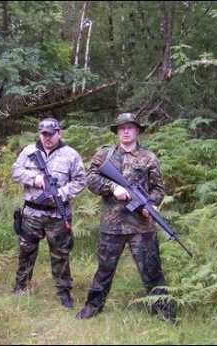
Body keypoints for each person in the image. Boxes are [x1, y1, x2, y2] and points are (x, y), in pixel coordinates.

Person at [75, 112, 176, 322]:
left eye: (130, 127)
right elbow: (90, 178)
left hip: (142, 226)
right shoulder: (105, 155)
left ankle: (164, 312)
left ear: (137, 130)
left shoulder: (149, 157)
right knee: (104, 269)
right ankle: (93, 307)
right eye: (122, 128)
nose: (126, 131)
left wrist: (151, 204)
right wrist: (112, 187)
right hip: (112, 226)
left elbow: (158, 189)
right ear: (117, 132)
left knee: (152, 270)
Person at [11, 117, 87, 308]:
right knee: (26, 251)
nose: (47, 138)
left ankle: (64, 292)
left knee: (60, 255)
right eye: (44, 134)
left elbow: (80, 180)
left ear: (58, 133)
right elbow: (15, 171)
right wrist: (34, 178)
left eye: (51, 134)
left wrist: (61, 193)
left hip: (57, 216)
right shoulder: (29, 151)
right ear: (39, 133)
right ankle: (21, 286)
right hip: (32, 213)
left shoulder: (71, 155)